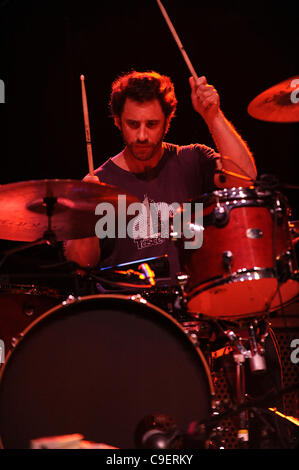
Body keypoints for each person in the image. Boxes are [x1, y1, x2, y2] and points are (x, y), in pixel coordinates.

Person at [64, 70, 257, 283]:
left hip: (195, 305)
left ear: (167, 121)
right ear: (118, 122)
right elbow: (80, 267)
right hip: (131, 310)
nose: (142, 136)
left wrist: (213, 115)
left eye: (152, 124)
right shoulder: (99, 183)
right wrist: (85, 215)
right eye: (133, 124)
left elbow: (245, 179)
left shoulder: (192, 160)